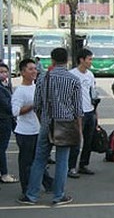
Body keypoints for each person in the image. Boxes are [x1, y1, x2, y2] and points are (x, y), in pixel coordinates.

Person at [18, 47, 82, 206]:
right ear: (66, 60)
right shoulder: (73, 79)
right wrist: (79, 130)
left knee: (39, 159)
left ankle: (31, 195)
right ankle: (58, 196)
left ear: (52, 60)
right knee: (62, 161)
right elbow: (78, 109)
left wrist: (43, 120)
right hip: (66, 124)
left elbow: (37, 105)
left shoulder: (42, 78)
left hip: (47, 123)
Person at [11, 58, 53, 197]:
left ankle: (48, 183)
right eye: (30, 69)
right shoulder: (19, 91)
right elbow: (15, 111)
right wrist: (33, 105)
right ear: (22, 72)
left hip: (38, 130)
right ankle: (26, 189)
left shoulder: (37, 87)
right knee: (26, 163)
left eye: (35, 69)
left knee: (39, 160)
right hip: (25, 133)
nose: (34, 71)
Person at [67, 49, 98, 178]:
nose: (91, 62)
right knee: (76, 141)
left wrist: (96, 112)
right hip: (77, 113)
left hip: (90, 111)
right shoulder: (71, 75)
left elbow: (93, 94)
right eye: (89, 59)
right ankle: (72, 167)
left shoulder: (90, 75)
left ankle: (83, 164)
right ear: (81, 59)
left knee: (88, 140)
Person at [0, 62, 18, 184]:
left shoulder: (5, 84)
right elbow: (7, 104)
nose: (3, 74)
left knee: (3, 145)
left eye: (5, 72)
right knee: (2, 145)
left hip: (8, 117)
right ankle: (3, 173)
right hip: (4, 118)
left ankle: (1, 172)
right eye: (0, 72)